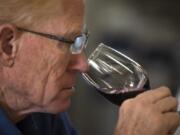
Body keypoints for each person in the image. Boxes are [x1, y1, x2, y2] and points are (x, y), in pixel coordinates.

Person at [0, 0, 179, 135]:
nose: (83, 65)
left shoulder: (42, 114)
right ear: (7, 46)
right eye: (67, 42)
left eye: (80, 41)